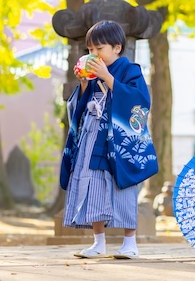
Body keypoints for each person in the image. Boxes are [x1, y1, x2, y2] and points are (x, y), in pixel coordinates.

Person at [59, 20, 155, 259]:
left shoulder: (131, 70)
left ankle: (130, 243)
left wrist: (108, 78)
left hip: (119, 141)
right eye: (90, 50)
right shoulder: (91, 77)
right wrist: (83, 84)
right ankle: (98, 242)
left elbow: (139, 101)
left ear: (117, 48)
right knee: (91, 185)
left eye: (99, 49)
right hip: (93, 136)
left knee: (123, 186)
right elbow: (78, 106)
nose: (94, 54)